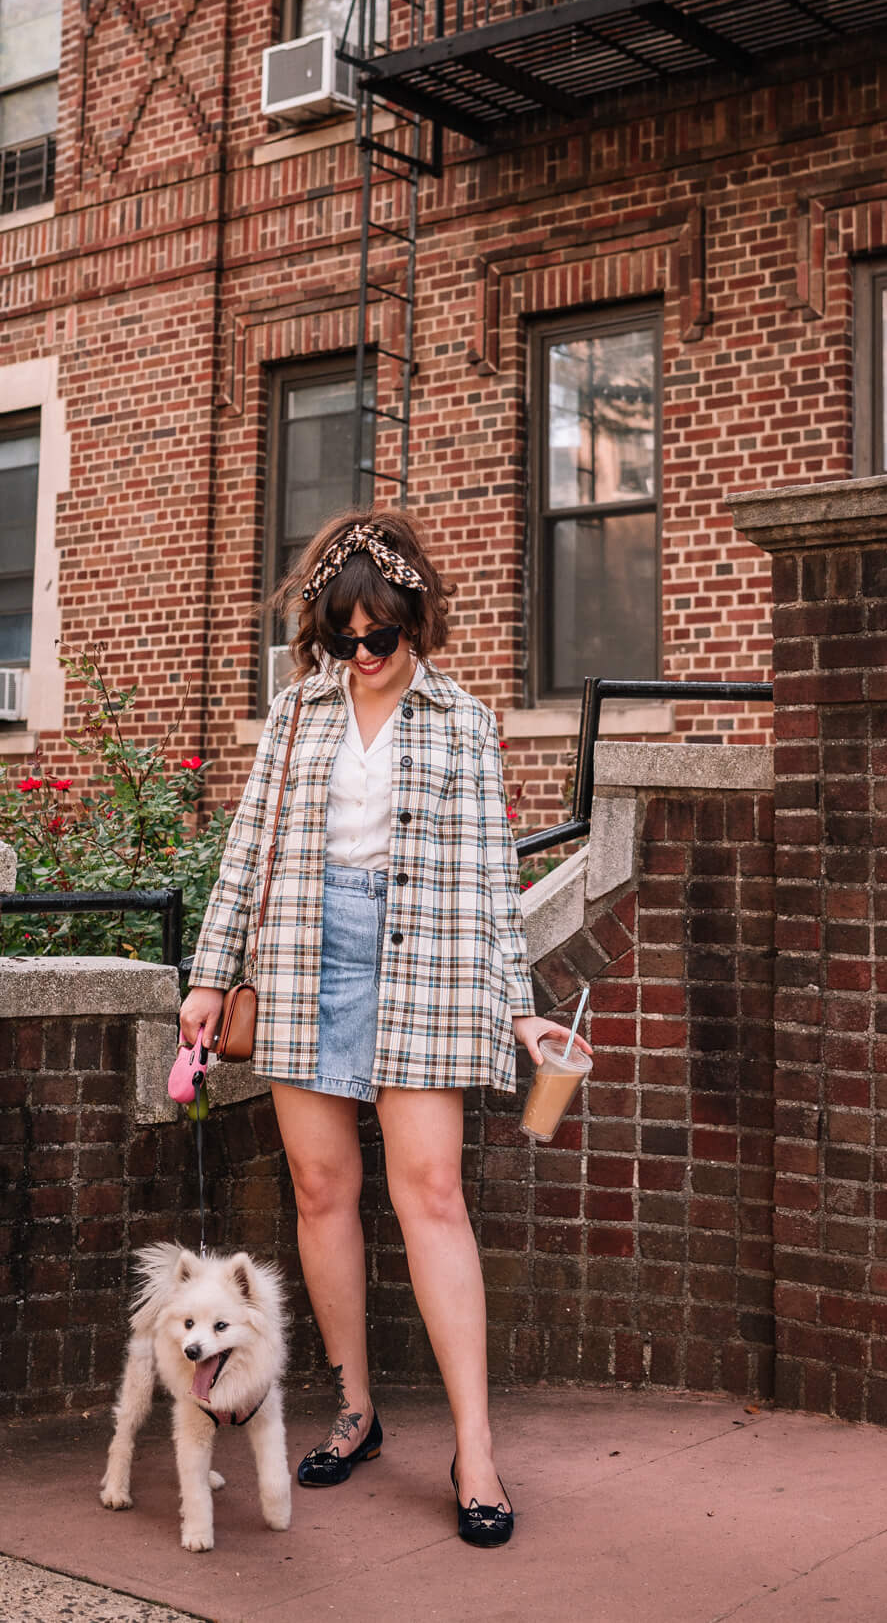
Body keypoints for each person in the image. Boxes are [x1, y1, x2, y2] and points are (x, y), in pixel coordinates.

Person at [180, 509, 593, 1547]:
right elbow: (246, 851)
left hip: (425, 963)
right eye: (340, 639)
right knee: (321, 1193)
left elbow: (493, 886)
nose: (361, 658)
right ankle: (355, 1410)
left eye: (380, 637)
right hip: (303, 952)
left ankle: (475, 1447)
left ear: (415, 621)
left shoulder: (463, 722)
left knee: (433, 1197)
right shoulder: (294, 715)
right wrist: (207, 976)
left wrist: (518, 1010)